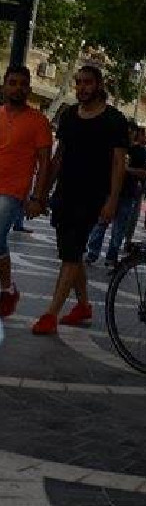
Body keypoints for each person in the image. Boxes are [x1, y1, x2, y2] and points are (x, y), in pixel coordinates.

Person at [30, 66, 129, 335]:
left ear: (98, 84)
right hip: (65, 193)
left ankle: (51, 313)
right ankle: (83, 304)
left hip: (93, 196)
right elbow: (59, 157)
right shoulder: (69, 116)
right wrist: (41, 194)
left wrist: (112, 199)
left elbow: (119, 162)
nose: (82, 87)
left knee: (72, 253)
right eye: (78, 83)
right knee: (69, 251)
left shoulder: (115, 120)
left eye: (87, 82)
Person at [0, 65, 52, 318]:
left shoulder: (39, 122)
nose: (17, 88)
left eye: (22, 83)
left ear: (29, 88)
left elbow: (45, 164)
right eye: (12, 83)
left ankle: (7, 289)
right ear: (4, 86)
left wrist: (38, 197)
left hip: (12, 192)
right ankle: (7, 289)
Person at [85, 124, 146, 266]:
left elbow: (145, 173)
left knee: (119, 227)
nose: (128, 134)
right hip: (109, 191)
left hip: (127, 194)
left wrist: (127, 169)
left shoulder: (140, 152)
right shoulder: (112, 147)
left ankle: (111, 255)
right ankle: (92, 253)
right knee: (101, 223)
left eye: (131, 132)